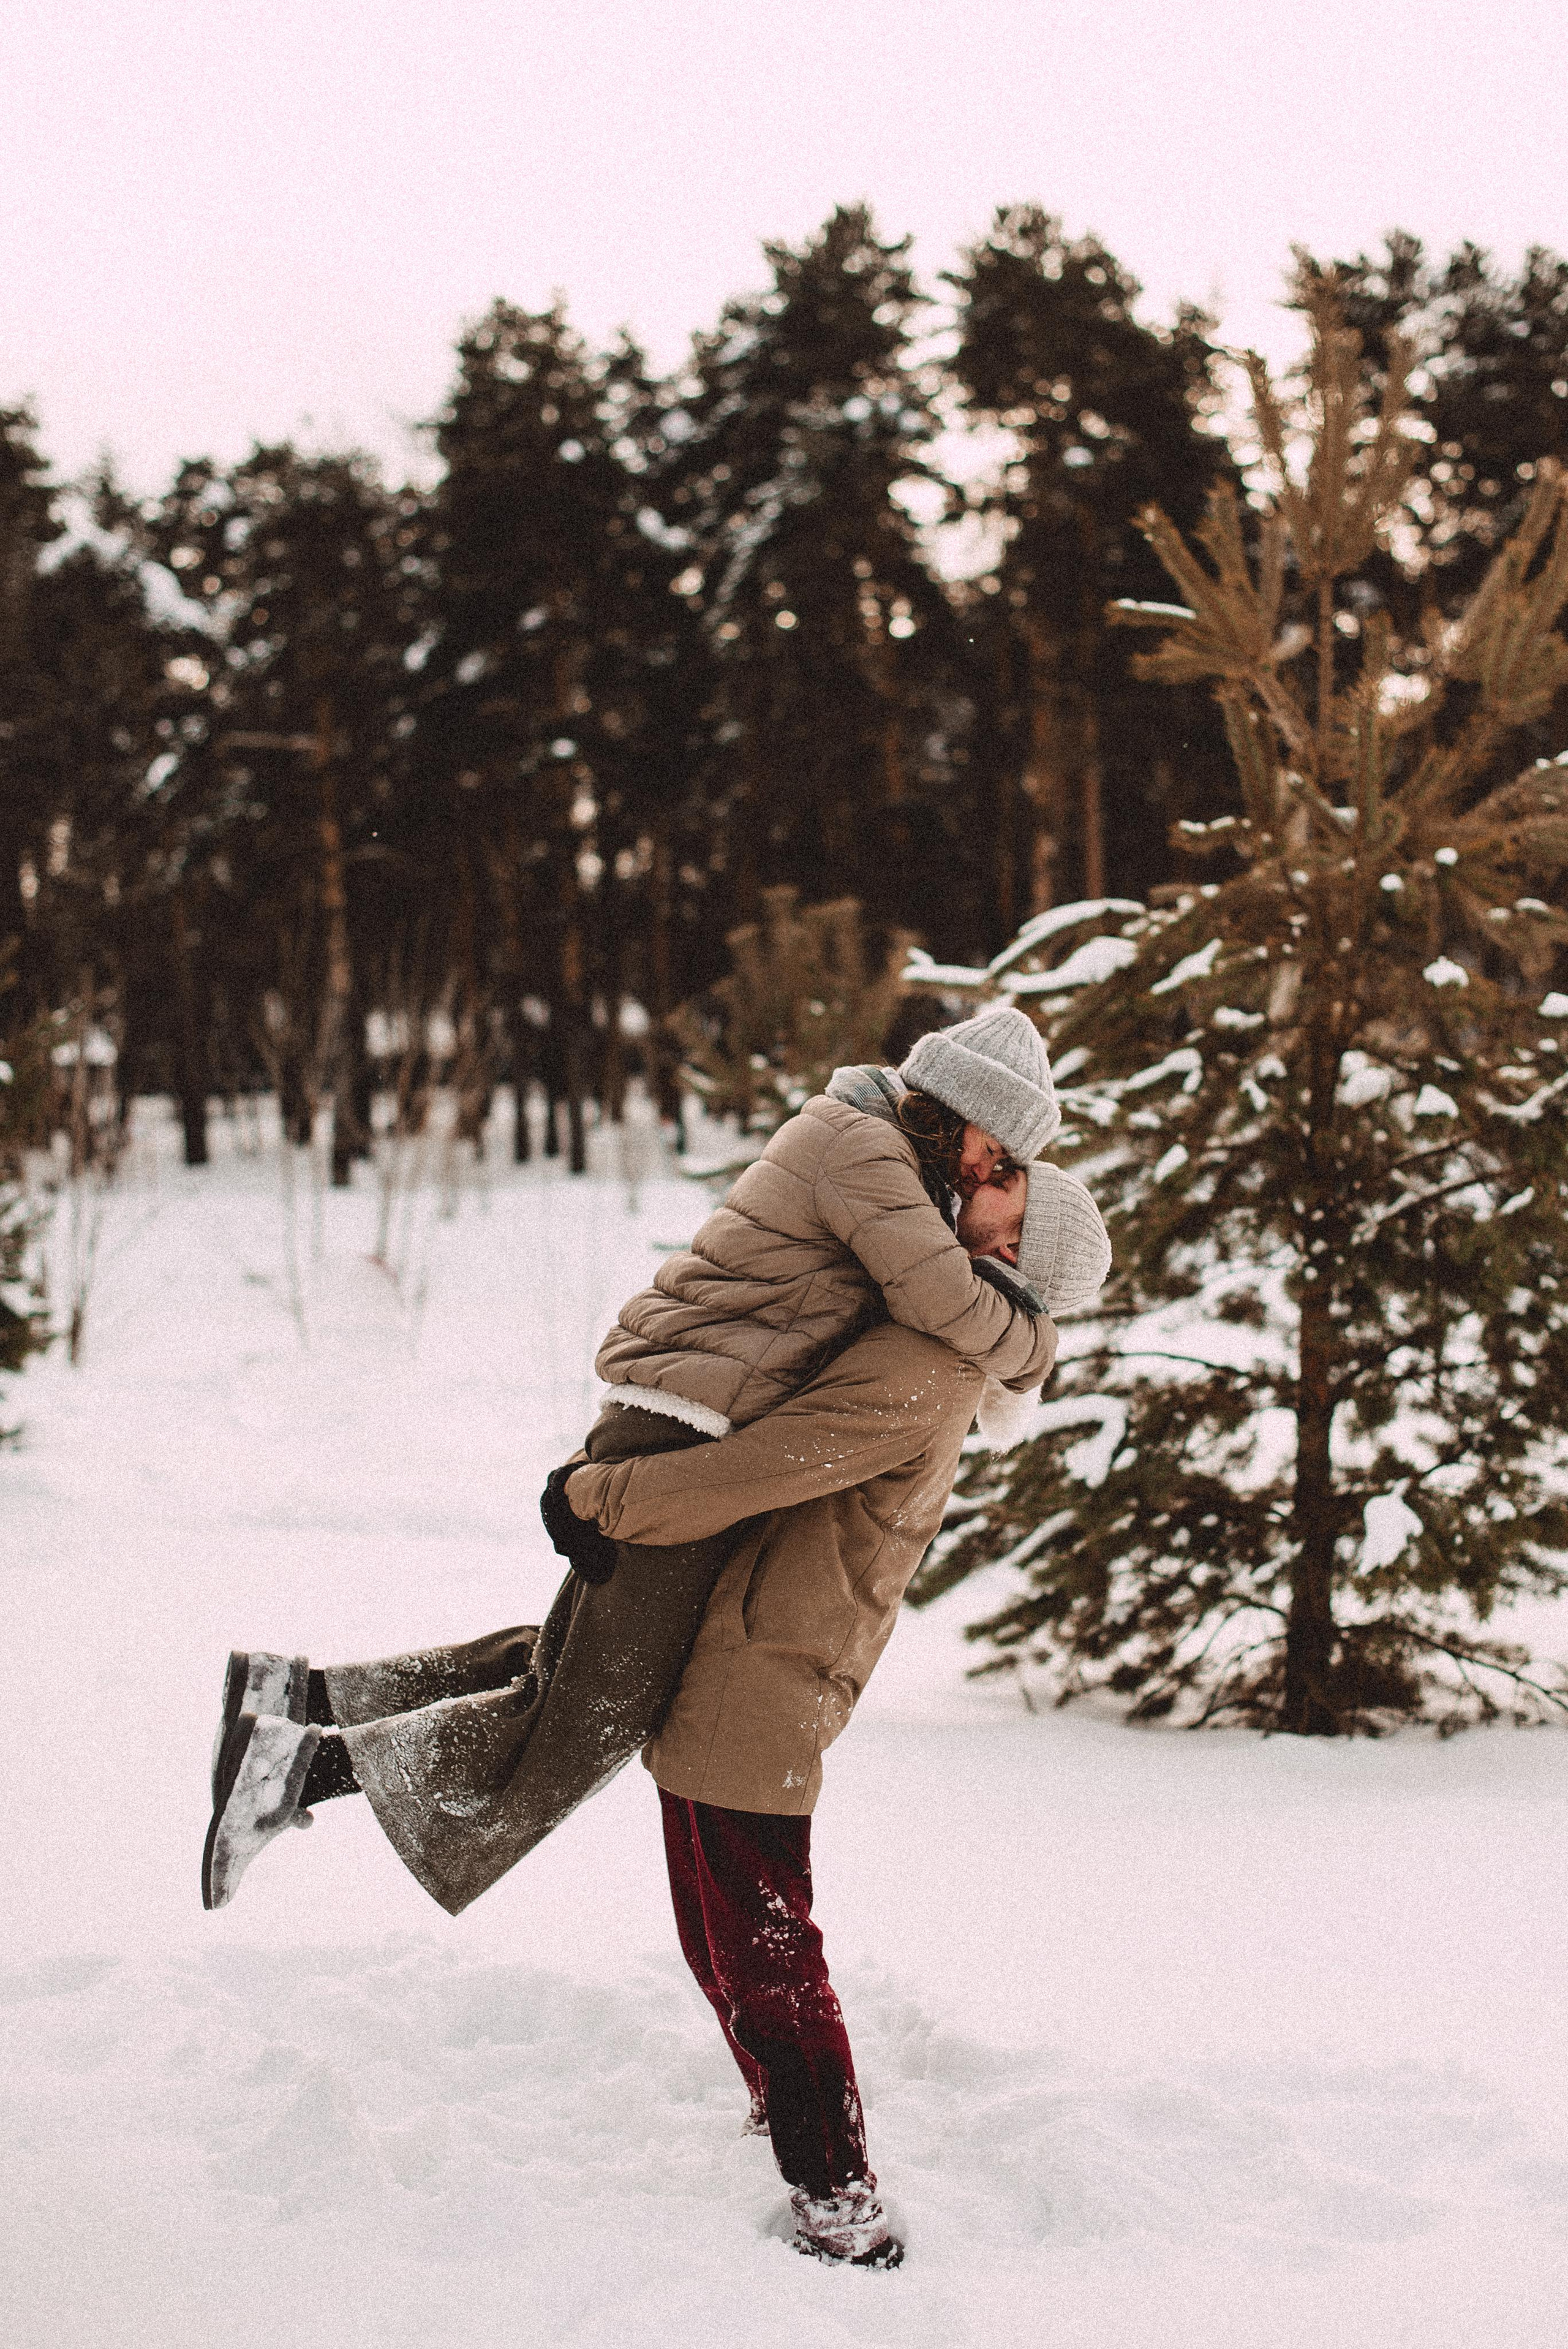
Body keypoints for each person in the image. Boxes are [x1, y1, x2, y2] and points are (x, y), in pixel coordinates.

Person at [202, 1007, 1110, 2266]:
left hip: (762, 1644)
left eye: (1008, 1202)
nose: (988, 1188)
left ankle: (303, 1721)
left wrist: (606, 1496)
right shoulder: (889, 1219)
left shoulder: (930, 1349)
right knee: (604, 1744)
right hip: (736, 1596)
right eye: (999, 1166)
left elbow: (795, 1447)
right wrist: (607, 1495)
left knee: (649, 1796)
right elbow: (780, 1446)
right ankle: (829, 2184)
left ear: (1018, 1268)